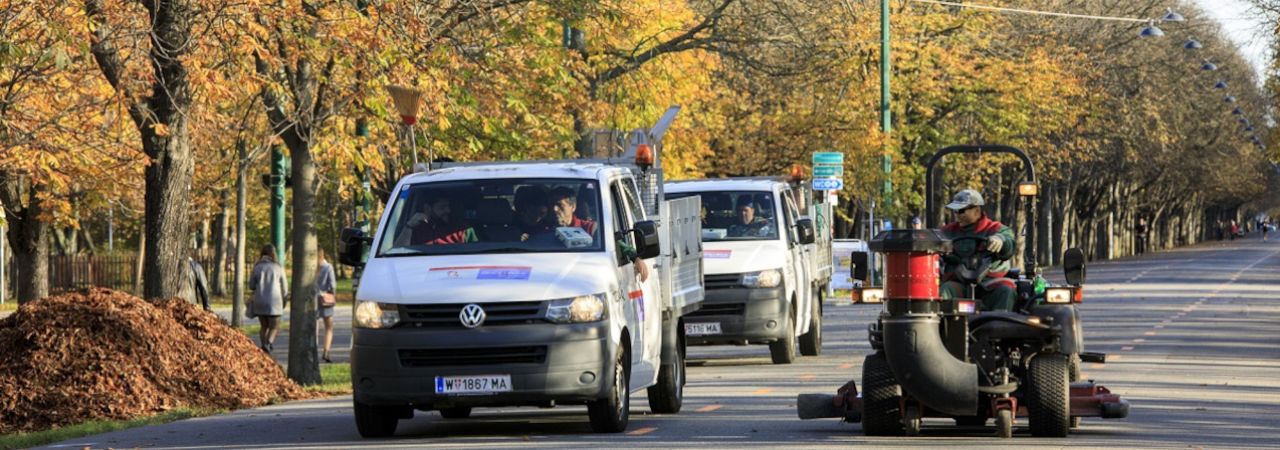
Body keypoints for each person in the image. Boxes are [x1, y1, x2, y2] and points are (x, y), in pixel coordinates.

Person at [938, 189, 1018, 312]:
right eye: (955, 211)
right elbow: (933, 242)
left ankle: (999, 326)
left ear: (976, 211)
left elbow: (1008, 242)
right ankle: (945, 328)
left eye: (961, 211)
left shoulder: (995, 229)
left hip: (990, 283)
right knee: (945, 289)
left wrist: (1000, 240)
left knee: (1006, 291)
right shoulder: (947, 232)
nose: (957, 215)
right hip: (960, 283)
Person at [248, 244, 288, 353]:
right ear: (273, 254)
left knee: (264, 326)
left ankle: (263, 346)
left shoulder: (257, 267)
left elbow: (251, 285)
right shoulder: (278, 267)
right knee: (274, 326)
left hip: (260, 301)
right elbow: (284, 287)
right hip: (274, 302)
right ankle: (268, 343)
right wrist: (285, 299)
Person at [395, 194, 477, 246]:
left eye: (448, 206)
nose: (448, 211)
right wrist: (409, 227)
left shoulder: (462, 229)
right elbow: (398, 253)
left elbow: (476, 255)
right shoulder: (416, 229)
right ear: (427, 208)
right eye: (442, 207)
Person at [315, 248, 337, 363]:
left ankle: (313, 349)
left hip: (314, 299)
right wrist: (333, 296)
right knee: (328, 327)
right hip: (326, 300)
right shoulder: (328, 267)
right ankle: (326, 351)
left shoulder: (312, 268)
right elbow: (332, 285)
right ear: (323, 255)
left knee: (315, 327)